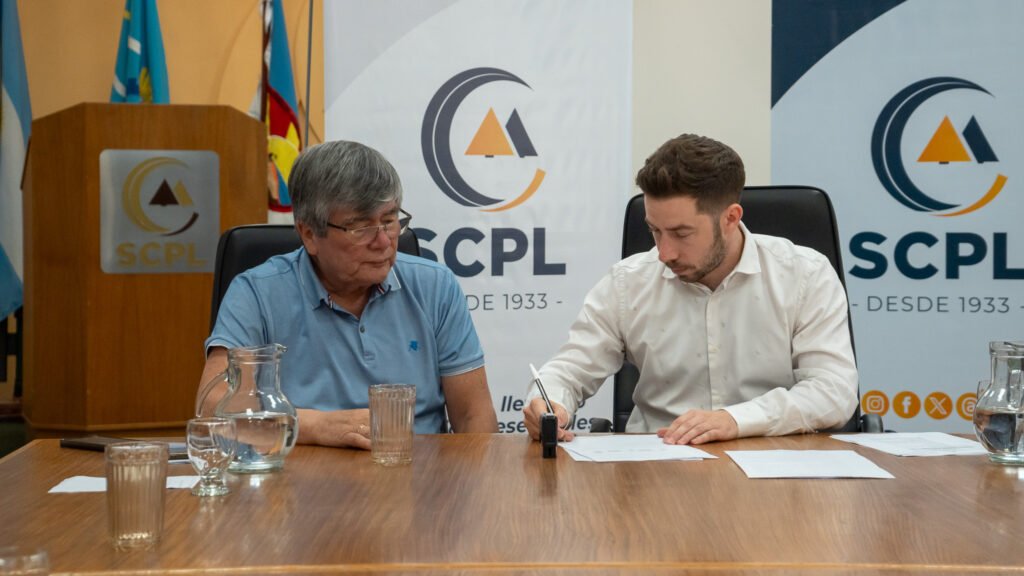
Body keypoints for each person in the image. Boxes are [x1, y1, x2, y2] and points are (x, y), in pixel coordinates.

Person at [523, 134, 857, 445]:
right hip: (658, 464)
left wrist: (736, 420)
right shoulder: (627, 283)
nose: (664, 253)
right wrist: (549, 402)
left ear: (730, 218)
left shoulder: (805, 275)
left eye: (681, 234)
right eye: (655, 231)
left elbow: (833, 391)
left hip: (774, 462)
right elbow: (569, 370)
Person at [202, 140, 498, 449]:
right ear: (309, 234)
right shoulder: (257, 293)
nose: (383, 242)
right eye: (360, 228)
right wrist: (317, 426)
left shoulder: (435, 286)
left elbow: (473, 416)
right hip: (300, 475)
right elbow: (213, 408)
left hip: (415, 467)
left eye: (389, 220)